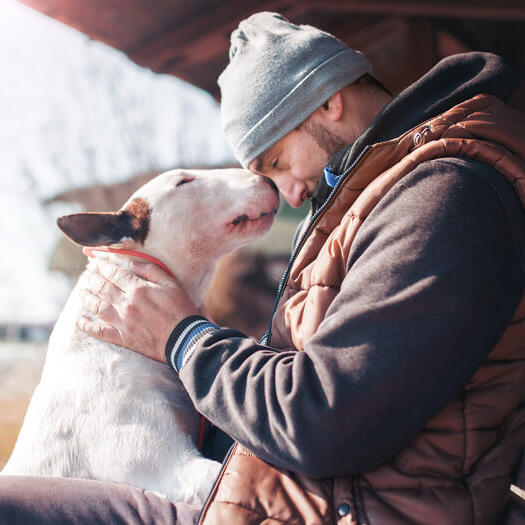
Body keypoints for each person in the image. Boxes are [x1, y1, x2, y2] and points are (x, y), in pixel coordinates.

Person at [1, 11, 525, 525]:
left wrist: (180, 337)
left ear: (328, 102)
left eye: (275, 162)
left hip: (335, 507)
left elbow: (324, 421)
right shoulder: (391, 198)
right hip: (294, 488)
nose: (289, 192)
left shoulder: (444, 198)